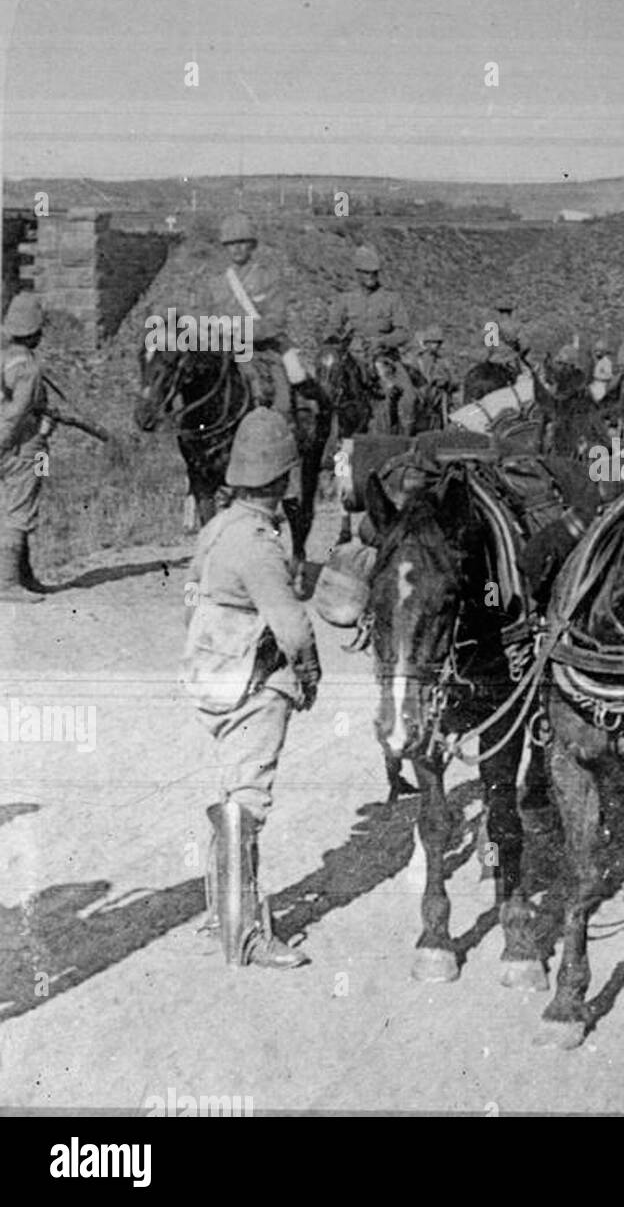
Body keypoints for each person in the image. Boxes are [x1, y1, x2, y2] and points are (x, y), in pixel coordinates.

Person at [182, 409, 322, 969]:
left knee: (231, 788)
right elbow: (293, 626)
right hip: (252, 678)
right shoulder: (260, 543)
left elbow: (190, 597)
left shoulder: (217, 528)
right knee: (248, 800)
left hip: (210, 670)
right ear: (284, 478)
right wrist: (309, 675)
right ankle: (244, 936)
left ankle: (221, 911)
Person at [326, 246, 417, 433]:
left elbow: (404, 332)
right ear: (357, 273)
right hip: (351, 356)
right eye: (366, 273)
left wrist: (383, 341)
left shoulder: (391, 299)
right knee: (325, 390)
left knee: (408, 398)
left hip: (383, 358)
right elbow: (332, 327)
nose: (371, 277)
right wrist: (336, 338)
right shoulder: (345, 299)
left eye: (374, 273)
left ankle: (405, 438)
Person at [216, 213, 298, 417]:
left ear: (252, 245)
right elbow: (207, 314)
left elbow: (276, 321)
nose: (236, 248)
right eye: (230, 243)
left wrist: (241, 330)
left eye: (242, 242)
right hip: (225, 351)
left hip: (263, 351)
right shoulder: (217, 282)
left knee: (283, 404)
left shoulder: (268, 276)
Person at [0, 293, 51, 602]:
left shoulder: (4, 357)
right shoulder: (29, 369)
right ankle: (7, 583)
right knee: (21, 510)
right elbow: (16, 414)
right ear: (35, 332)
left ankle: (24, 575)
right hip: (22, 447)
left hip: (11, 445)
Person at [413, 324, 457, 422]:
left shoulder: (444, 362)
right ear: (426, 343)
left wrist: (446, 382)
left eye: (437, 343)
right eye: (432, 342)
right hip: (419, 400)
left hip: (438, 402)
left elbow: (454, 381)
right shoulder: (416, 360)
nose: (435, 345)